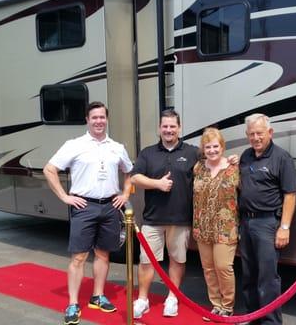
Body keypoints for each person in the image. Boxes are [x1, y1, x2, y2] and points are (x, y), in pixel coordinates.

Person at [43, 101, 133, 325]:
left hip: (110, 206)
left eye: (102, 117)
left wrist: (125, 195)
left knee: (103, 254)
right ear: (87, 120)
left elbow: (130, 172)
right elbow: (49, 169)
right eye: (95, 117)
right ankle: (73, 303)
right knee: (79, 257)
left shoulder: (117, 147)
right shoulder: (74, 145)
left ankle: (98, 296)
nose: (99, 121)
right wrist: (65, 197)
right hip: (84, 207)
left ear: (107, 119)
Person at [130, 109, 199, 319]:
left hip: (180, 219)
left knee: (177, 260)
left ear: (179, 128)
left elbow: (214, 162)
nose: (169, 130)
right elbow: (135, 178)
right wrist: (157, 184)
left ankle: (172, 297)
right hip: (152, 219)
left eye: (172, 126)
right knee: (146, 261)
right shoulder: (148, 153)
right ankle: (143, 299)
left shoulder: (192, 152)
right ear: (159, 129)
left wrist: (231, 160)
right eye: (165, 126)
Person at [238, 114, 296, 325]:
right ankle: (252, 317)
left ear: (270, 133)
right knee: (249, 274)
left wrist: (285, 227)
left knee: (267, 278)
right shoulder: (245, 156)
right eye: (251, 134)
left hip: (267, 224)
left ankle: (271, 322)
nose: (256, 137)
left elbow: (290, 195)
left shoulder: (282, 158)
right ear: (247, 135)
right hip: (245, 223)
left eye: (259, 133)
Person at [192, 127, 239, 320]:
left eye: (215, 146)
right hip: (202, 226)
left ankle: (227, 305)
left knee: (223, 266)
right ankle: (216, 305)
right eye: (208, 147)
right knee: (208, 268)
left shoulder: (234, 167)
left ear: (222, 147)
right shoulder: (198, 168)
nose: (212, 150)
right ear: (203, 149)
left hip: (226, 228)